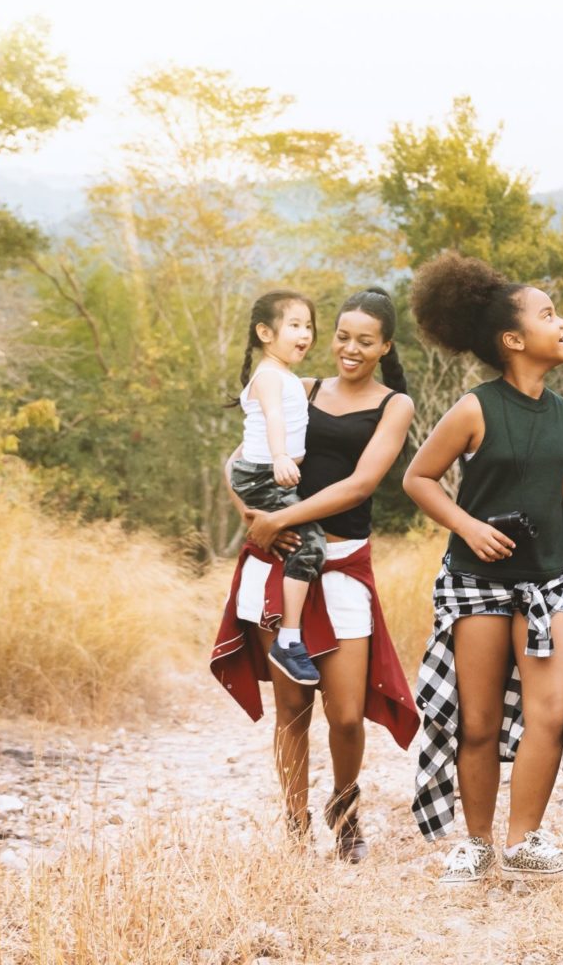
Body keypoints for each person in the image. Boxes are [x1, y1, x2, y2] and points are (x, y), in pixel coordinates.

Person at [402, 252, 563, 886]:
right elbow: (419, 478)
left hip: (551, 582)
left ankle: (525, 840)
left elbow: (561, 498)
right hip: (476, 587)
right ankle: (478, 844)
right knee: (480, 720)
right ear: (513, 341)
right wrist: (468, 525)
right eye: (549, 314)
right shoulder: (473, 409)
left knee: (549, 714)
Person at [212, 288, 419, 862]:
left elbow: (358, 486)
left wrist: (283, 516)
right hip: (283, 562)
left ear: (385, 346)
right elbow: (236, 461)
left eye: (365, 341)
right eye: (342, 336)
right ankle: (295, 821)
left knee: (347, 714)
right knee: (292, 710)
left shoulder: (393, 405)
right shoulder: (300, 388)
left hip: (344, 562)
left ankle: (345, 807)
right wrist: (255, 522)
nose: (349, 349)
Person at [223, 290, 327, 685]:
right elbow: (272, 418)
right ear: (265, 332)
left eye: (309, 327)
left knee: (300, 535)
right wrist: (282, 456)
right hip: (265, 473)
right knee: (311, 542)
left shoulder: (285, 377)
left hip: (265, 472)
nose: (304, 334)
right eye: (295, 326)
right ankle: (288, 639)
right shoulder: (268, 377)